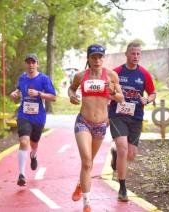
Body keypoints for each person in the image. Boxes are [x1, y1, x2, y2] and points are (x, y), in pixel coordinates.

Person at [68, 44, 124, 212]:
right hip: (83, 122)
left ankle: (80, 184)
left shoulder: (111, 75)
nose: (97, 60)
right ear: (88, 59)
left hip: (100, 125)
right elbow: (71, 89)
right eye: (94, 57)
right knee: (86, 161)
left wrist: (112, 92)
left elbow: (121, 98)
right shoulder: (80, 76)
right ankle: (87, 203)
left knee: (89, 163)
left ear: (103, 58)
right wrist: (72, 96)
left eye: (100, 57)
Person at [109, 41, 156, 201]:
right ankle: (122, 189)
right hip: (118, 115)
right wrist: (113, 96)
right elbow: (107, 91)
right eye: (133, 53)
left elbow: (152, 93)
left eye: (138, 54)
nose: (136, 56)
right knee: (123, 149)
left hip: (136, 117)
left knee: (130, 155)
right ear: (126, 54)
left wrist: (147, 99)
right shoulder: (116, 73)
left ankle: (115, 155)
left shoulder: (144, 74)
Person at [10, 53, 56, 186]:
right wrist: (15, 94)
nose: (31, 65)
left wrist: (39, 94)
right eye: (28, 62)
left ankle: (33, 155)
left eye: (33, 62)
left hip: (38, 117)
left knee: (34, 143)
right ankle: (21, 175)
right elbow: (19, 90)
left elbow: (53, 97)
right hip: (24, 115)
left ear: (37, 64)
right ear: (25, 64)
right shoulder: (22, 78)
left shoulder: (44, 79)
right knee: (24, 141)